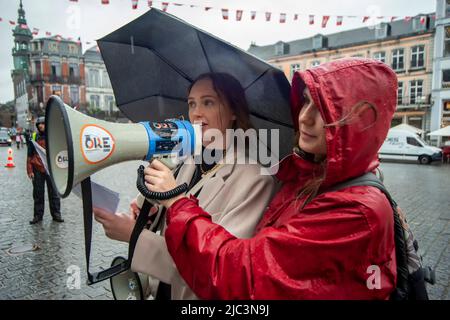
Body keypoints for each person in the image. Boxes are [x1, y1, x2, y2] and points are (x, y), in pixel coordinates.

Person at [144, 58, 399, 299]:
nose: (304, 117)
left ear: (360, 121)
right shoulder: (304, 177)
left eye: (323, 109)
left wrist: (175, 200)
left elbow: (242, 274)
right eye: (306, 102)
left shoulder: (356, 211)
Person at [93, 72, 277, 299]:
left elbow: (216, 269)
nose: (196, 113)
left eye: (208, 102)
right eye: (192, 104)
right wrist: (149, 213)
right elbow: (171, 222)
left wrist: (134, 236)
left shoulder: (256, 180)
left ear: (232, 112)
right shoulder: (186, 160)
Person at [27, 116, 64, 224]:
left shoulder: (53, 137)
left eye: (42, 124)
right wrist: (30, 170)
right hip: (37, 168)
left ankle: (56, 214)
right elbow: (29, 155)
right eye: (39, 124)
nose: (41, 126)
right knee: (38, 194)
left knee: (54, 194)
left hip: (51, 169)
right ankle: (38, 216)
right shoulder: (34, 137)